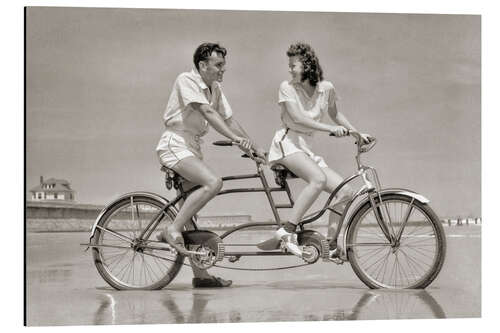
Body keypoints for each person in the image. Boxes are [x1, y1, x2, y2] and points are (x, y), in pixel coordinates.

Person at [155, 42, 266, 288]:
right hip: (175, 143)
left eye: (223, 65)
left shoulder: (214, 88)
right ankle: (170, 230)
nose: (222, 70)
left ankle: (201, 277)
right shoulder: (187, 80)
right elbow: (207, 112)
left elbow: (229, 119)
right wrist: (235, 139)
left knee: (190, 215)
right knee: (213, 182)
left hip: (192, 146)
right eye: (218, 65)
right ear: (202, 65)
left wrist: (253, 147)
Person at [265, 42, 373, 258]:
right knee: (318, 179)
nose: (289, 69)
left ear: (306, 65)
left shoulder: (326, 88)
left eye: (293, 65)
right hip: (287, 144)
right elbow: (297, 118)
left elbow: (335, 114)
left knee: (345, 192)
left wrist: (356, 133)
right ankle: (287, 231)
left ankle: (331, 244)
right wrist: (331, 129)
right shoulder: (287, 87)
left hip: (306, 148)